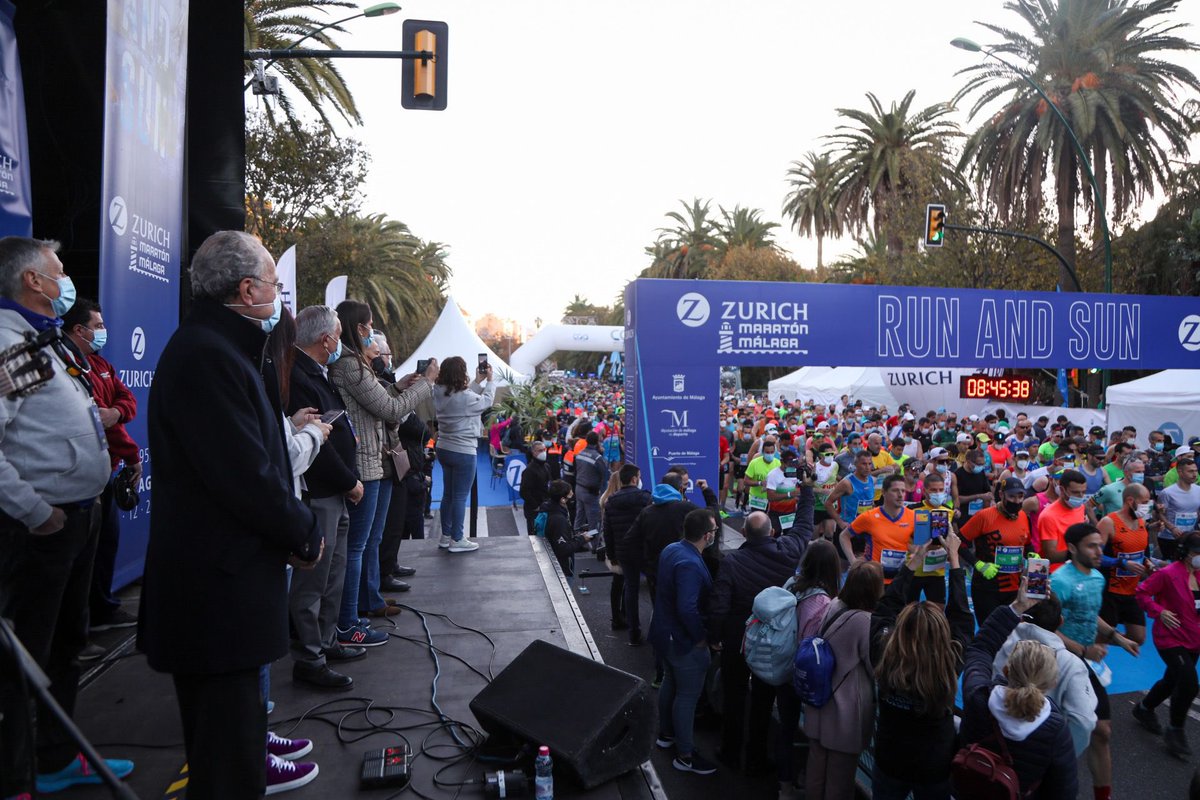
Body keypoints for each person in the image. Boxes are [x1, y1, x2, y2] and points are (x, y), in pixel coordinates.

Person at [140, 232, 323, 799]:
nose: (278, 297)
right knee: (227, 771)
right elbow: (246, 476)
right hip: (216, 596)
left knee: (234, 746)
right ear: (247, 289)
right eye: (274, 285)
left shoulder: (217, 349)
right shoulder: (207, 356)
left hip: (222, 590)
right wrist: (303, 530)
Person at [0, 238, 129, 797]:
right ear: (32, 281)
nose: (64, 281)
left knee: (65, 644)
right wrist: (36, 512)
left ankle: (55, 759)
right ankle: (15, 776)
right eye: (57, 272)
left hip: (78, 516)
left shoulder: (45, 341)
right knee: (23, 659)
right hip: (40, 530)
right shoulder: (11, 343)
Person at [329, 302, 437, 644]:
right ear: (359, 329)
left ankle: (364, 605)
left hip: (373, 462)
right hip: (365, 465)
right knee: (358, 547)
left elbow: (378, 402)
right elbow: (390, 410)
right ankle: (350, 621)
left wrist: (399, 385)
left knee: (366, 543)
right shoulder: (351, 367)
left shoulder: (356, 367)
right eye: (370, 326)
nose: (373, 333)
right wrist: (425, 385)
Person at [287, 306, 369, 685]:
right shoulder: (297, 374)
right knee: (315, 579)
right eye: (338, 335)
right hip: (322, 490)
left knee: (333, 573)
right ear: (326, 340)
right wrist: (348, 481)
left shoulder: (316, 371)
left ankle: (326, 639)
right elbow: (317, 441)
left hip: (336, 490)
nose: (342, 342)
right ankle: (309, 658)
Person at [709, 494, 813, 775]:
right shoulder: (789, 551)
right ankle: (757, 756)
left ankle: (730, 752)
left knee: (734, 696)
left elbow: (720, 604)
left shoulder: (732, 562)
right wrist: (806, 491)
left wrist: (715, 636)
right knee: (764, 700)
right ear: (773, 532)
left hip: (738, 639)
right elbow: (804, 527)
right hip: (773, 641)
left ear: (743, 533)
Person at [60, 297, 143, 635]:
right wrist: (132, 452)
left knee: (105, 544)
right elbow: (97, 420)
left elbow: (126, 403)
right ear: (79, 330)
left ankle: (101, 610)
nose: (104, 332)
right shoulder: (67, 363)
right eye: (98, 326)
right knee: (81, 557)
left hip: (105, 471)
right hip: (81, 473)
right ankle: (77, 631)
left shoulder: (101, 364)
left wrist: (117, 412)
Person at [868, 535, 973, 800]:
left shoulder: (885, 650)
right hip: (934, 764)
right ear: (942, 634)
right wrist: (954, 559)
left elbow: (886, 605)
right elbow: (961, 616)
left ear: (899, 628)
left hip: (890, 757)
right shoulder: (950, 660)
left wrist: (912, 563)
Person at [959, 587, 1078, 799]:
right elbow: (1063, 790)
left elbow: (980, 649)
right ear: (1051, 682)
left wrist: (1017, 607)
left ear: (1006, 670)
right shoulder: (1056, 729)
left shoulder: (978, 696)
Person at [1051, 522, 1139, 800]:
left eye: (1100, 545)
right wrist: (1082, 649)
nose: (1099, 551)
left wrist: (1117, 637)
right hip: (1057, 664)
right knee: (1053, 731)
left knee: (1101, 731)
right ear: (1073, 549)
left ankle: (1103, 795)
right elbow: (1044, 627)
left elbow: (1089, 616)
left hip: (1085, 664)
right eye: (1092, 546)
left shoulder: (1098, 578)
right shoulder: (1060, 582)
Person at [802, 560, 883, 800]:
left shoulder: (834, 604)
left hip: (819, 702)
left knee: (816, 770)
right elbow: (875, 666)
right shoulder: (865, 621)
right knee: (839, 780)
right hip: (844, 712)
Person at [650, 508, 721, 776]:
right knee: (688, 696)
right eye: (713, 531)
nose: (715, 535)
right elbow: (687, 608)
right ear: (706, 535)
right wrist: (701, 637)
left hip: (664, 634)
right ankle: (686, 756)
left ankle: (666, 734)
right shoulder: (691, 564)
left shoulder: (671, 549)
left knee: (670, 682)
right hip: (683, 641)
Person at [993, 590, 1099, 756]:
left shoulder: (1000, 643)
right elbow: (1083, 722)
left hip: (994, 751)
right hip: (1040, 759)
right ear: (1060, 622)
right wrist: (1061, 757)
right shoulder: (1072, 665)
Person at [774, 540, 840, 797]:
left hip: (782, 664)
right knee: (812, 734)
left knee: (786, 728)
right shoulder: (823, 601)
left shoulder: (792, 583)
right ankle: (804, 779)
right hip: (805, 675)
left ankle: (785, 784)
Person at [1133, 531, 1200, 758]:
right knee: (1190, 684)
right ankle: (1175, 729)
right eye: (1195, 552)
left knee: (1173, 679)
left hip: (1194, 638)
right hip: (1170, 638)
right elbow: (1142, 593)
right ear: (1184, 552)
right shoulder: (1169, 574)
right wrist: (1159, 612)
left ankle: (1144, 708)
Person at [432, 356, 496, 552]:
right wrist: (490, 381)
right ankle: (457, 539)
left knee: (448, 495)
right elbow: (485, 401)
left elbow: (465, 398)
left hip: (444, 447)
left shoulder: (438, 391)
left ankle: (446, 536)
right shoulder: (465, 398)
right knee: (459, 496)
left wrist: (478, 382)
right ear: (461, 373)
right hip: (463, 450)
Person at [960, 477, 1032, 629]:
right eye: (1012, 496)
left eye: (1020, 497)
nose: (1016, 501)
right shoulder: (984, 516)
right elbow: (959, 542)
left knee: (1012, 634)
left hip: (1014, 588)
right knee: (990, 633)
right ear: (1001, 494)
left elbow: (1027, 544)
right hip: (987, 587)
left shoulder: (1024, 517)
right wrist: (977, 564)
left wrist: (1032, 554)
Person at [1097, 483, 1155, 647]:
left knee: (1138, 638)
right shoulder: (1108, 522)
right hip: (1110, 590)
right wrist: (1121, 563)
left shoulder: (1142, 522)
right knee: (1101, 640)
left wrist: (1148, 563)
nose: (1148, 505)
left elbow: (1140, 553)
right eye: (1144, 501)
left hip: (1131, 590)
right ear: (1130, 500)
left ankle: (1094, 640)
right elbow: (1095, 556)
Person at [840, 473, 916, 584]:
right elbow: (844, 536)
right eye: (895, 491)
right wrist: (853, 561)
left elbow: (919, 546)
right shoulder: (869, 517)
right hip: (874, 581)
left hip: (899, 581)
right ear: (883, 492)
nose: (900, 495)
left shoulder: (913, 517)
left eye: (903, 491)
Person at [602, 464, 651, 632]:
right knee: (654, 586)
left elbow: (607, 532)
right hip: (644, 550)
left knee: (630, 587)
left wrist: (611, 554)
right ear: (634, 479)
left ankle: (633, 631)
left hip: (623, 551)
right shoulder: (645, 498)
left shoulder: (611, 501)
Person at [1038, 469, 1089, 568]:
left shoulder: (1080, 507)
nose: (1081, 496)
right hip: (1056, 573)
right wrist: (1080, 552)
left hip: (1078, 569)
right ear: (1062, 490)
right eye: (1075, 492)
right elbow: (1051, 555)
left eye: (1084, 492)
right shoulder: (1048, 516)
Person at [1157, 457, 1199, 560]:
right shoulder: (1167, 492)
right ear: (1180, 472)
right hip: (1170, 538)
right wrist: (1172, 528)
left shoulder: (1198, 490)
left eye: (1196, 471)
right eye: (1190, 471)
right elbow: (1159, 513)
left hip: (1189, 536)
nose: (1194, 474)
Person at [573, 431, 608, 533]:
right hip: (590, 493)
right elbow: (604, 476)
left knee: (579, 515)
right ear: (597, 442)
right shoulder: (597, 458)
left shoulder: (579, 454)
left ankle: (577, 538)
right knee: (594, 521)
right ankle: (594, 544)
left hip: (579, 488)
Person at [520, 440, 552, 534]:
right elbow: (524, 492)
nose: (543, 452)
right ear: (533, 452)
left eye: (544, 450)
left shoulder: (546, 466)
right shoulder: (529, 471)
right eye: (540, 450)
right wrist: (536, 506)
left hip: (545, 506)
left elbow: (549, 483)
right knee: (534, 535)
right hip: (534, 510)